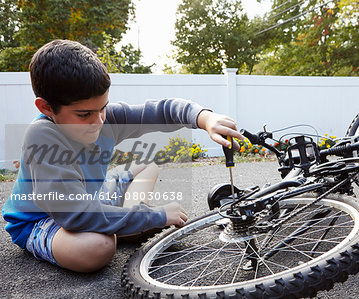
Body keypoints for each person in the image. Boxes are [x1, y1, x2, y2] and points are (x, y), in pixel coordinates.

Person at [2, 39, 243, 272]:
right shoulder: (42, 134)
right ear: (46, 108)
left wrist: (204, 118)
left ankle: (127, 224)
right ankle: (128, 222)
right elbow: (74, 214)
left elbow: (160, 111)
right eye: (84, 115)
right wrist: (153, 216)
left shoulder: (102, 117)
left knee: (146, 166)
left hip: (90, 198)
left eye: (103, 108)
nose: (98, 122)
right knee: (99, 247)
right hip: (42, 220)